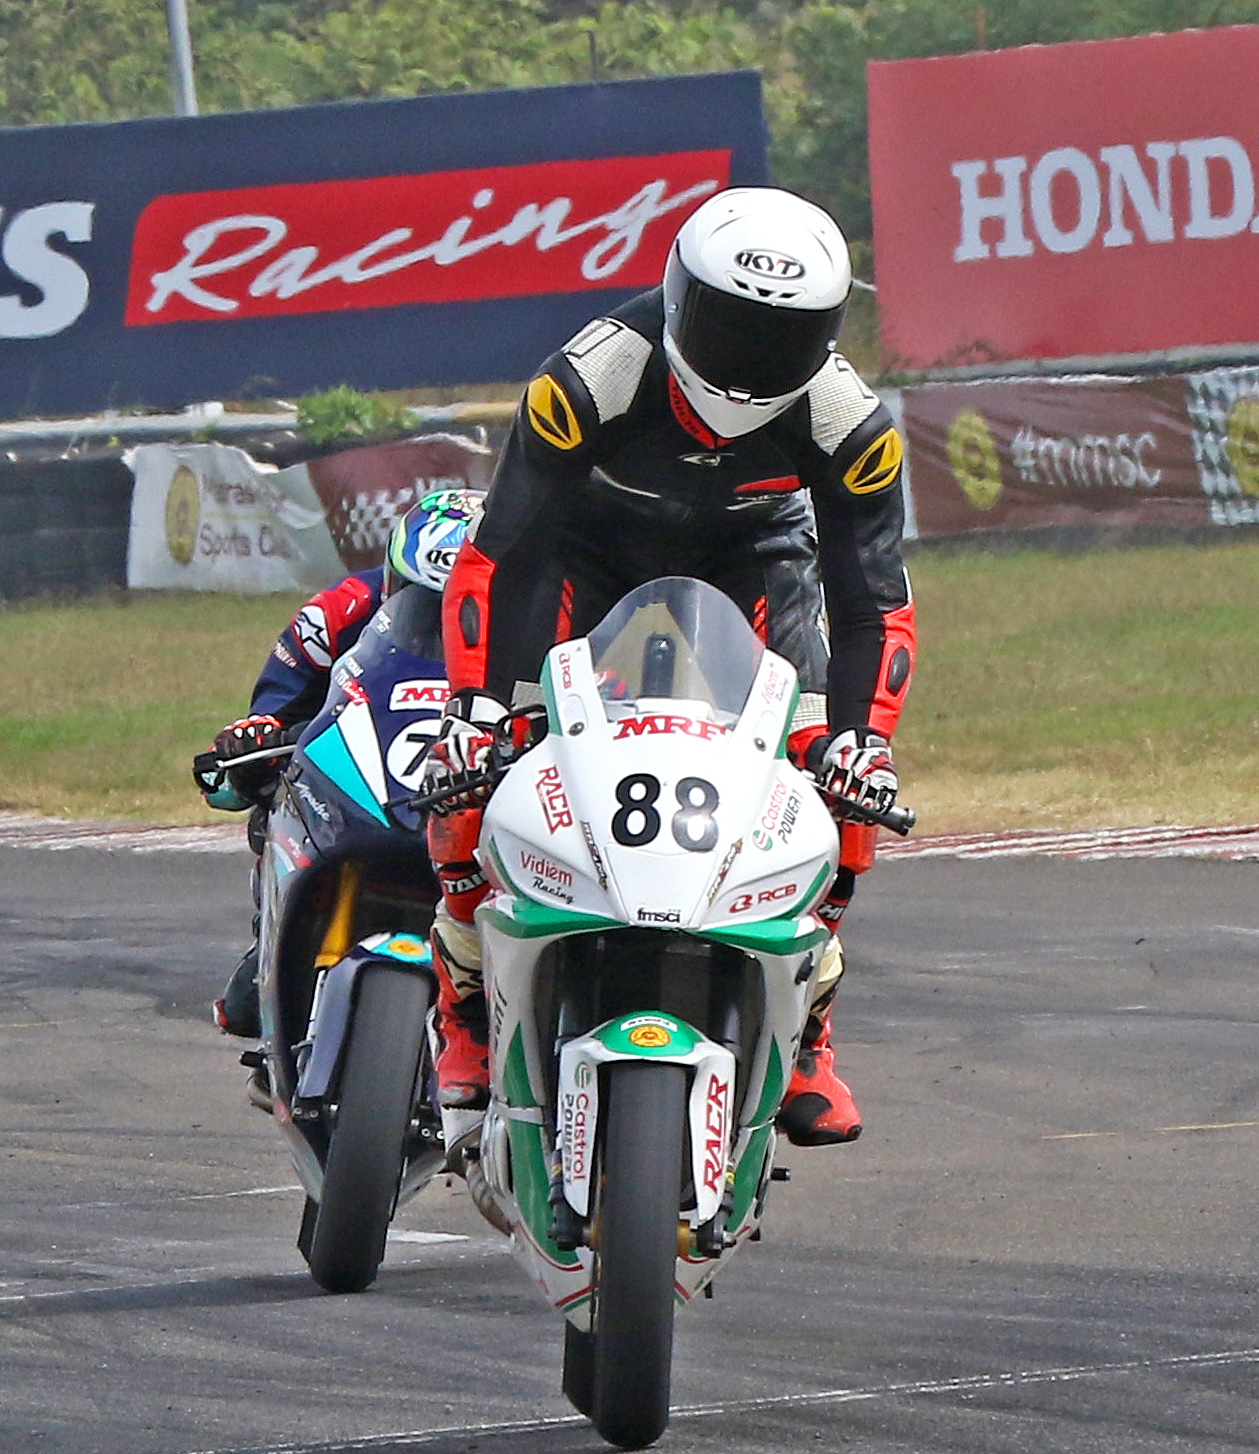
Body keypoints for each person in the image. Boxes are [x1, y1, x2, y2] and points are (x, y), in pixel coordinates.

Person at [421, 185, 916, 1151]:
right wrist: (475, 704)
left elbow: (874, 602)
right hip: (581, 554)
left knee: (837, 773)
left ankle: (807, 1023)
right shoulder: (591, 375)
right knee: (480, 755)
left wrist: (868, 739)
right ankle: (468, 1004)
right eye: (728, 325)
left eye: (781, 335)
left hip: (754, 560)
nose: (746, 362)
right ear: (677, 292)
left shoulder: (851, 425)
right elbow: (502, 554)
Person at [195, 487, 485, 1046]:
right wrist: (253, 740)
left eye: (461, 604)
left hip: (477, 781)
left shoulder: (550, 615)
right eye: (425, 603)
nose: (441, 623)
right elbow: (272, 716)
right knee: (279, 794)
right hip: (369, 761)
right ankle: (277, 945)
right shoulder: (339, 610)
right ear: (395, 583)